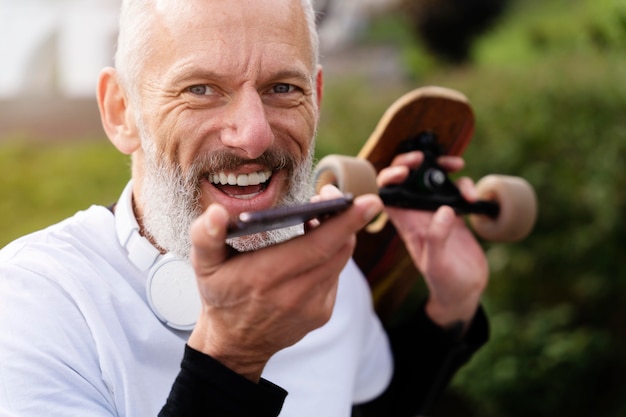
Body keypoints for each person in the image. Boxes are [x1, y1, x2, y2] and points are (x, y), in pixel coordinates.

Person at [0, 0, 489, 416]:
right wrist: (230, 358)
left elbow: (371, 407)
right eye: (200, 89)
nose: (253, 134)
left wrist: (452, 305)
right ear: (120, 112)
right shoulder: (36, 303)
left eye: (282, 89)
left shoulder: (333, 278)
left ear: (315, 99)